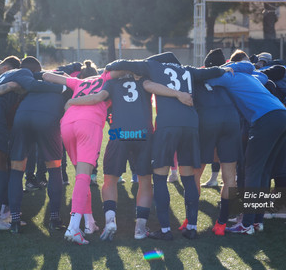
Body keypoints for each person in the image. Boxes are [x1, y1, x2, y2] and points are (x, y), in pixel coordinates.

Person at [106, 52, 233, 240]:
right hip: (191, 124)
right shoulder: (189, 70)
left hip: (166, 126)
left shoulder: (153, 66)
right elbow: (211, 72)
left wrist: (129, 67)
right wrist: (225, 68)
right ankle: (191, 226)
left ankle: (165, 230)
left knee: (159, 177)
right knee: (189, 178)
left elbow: (115, 64)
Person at [64, 72, 192, 241]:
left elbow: (99, 96)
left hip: (119, 132)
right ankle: (139, 228)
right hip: (143, 132)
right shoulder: (144, 78)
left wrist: (71, 102)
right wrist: (178, 94)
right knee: (145, 181)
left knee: (110, 179)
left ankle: (110, 220)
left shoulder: (112, 81)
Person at [0, 56, 65, 233]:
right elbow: (20, 86)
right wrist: (63, 87)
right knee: (4, 167)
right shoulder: (25, 74)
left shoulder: (4, 76)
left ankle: (6, 216)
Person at [43, 60, 126, 245]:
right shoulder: (106, 78)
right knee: (83, 177)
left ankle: (89, 223)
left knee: (82, 177)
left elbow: (47, 76)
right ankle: (73, 228)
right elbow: (121, 71)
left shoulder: (79, 82)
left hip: (67, 123)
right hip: (88, 123)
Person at [207, 50, 286, 234]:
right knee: (264, 171)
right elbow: (257, 73)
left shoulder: (227, 76)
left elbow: (208, 79)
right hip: (281, 114)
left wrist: (225, 68)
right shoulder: (251, 76)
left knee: (252, 171)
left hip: (264, 119)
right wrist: (235, 66)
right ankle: (257, 221)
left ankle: (247, 224)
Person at [193, 48, 241, 236]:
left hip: (207, 121)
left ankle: (191, 220)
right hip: (231, 120)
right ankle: (221, 223)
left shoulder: (197, 78)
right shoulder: (230, 77)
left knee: (196, 173)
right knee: (229, 176)